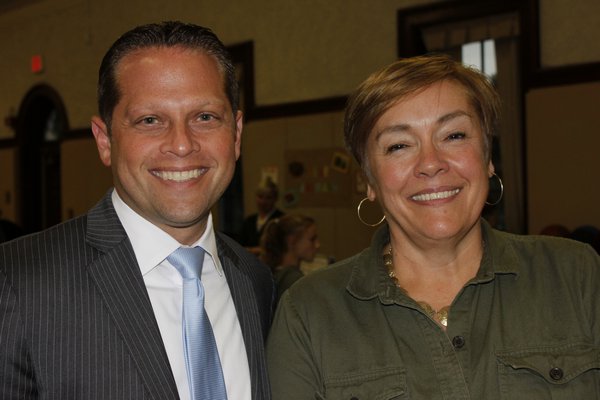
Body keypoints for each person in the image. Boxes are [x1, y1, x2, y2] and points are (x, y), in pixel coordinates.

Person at [266, 54, 600, 399]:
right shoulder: (308, 314)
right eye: (398, 145)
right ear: (370, 180)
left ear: (487, 158)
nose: (430, 163)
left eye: (454, 135)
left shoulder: (577, 275)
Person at [0, 21, 273, 400]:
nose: (181, 145)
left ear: (237, 134)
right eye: (150, 120)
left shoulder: (257, 283)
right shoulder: (17, 282)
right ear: (105, 140)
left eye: (205, 117)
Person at [259, 214, 320, 304]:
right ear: (291, 241)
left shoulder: (274, 273)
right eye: (312, 239)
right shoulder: (294, 281)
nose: (318, 245)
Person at [240, 179, 284, 255]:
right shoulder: (249, 221)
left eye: (268, 198)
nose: (263, 201)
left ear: (275, 199)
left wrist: (254, 250)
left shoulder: (282, 219)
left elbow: (282, 247)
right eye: (260, 197)